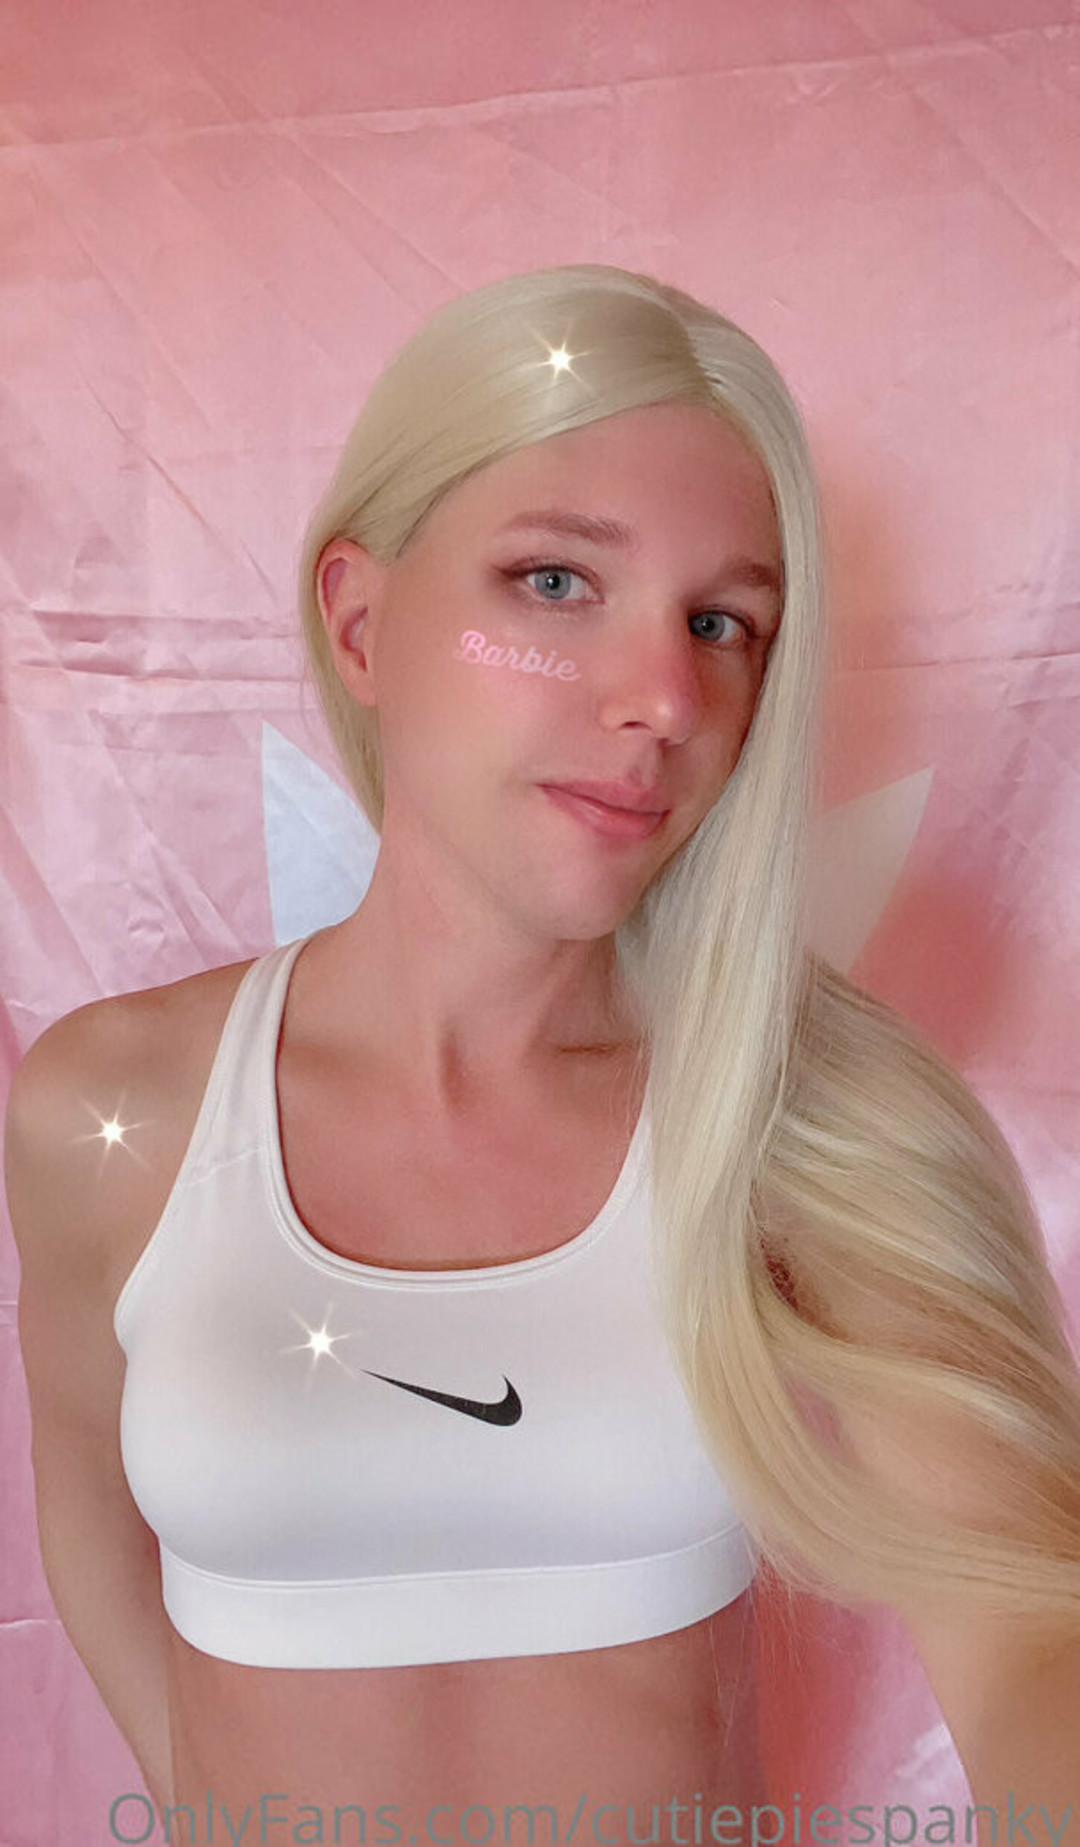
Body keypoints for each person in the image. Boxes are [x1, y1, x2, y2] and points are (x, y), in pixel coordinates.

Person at [7, 264, 1080, 1843]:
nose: (664, 699)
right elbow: (91, 1517)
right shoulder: (111, 1110)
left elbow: (1028, 1622)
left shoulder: (799, 1113)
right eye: (557, 583)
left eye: (722, 623)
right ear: (361, 622)